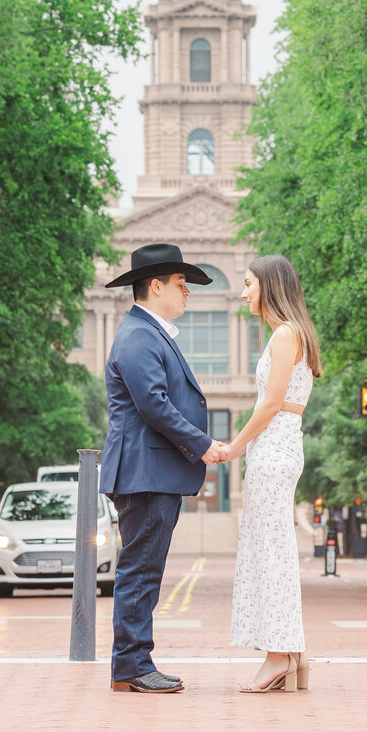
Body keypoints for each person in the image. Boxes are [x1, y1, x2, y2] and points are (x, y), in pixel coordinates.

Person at [99, 243, 229, 694]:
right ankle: (131, 665)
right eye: (180, 284)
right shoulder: (138, 336)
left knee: (144, 570)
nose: (187, 292)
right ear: (155, 286)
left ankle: (134, 661)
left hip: (150, 471)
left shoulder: (147, 333)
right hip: (145, 472)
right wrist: (203, 445)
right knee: (140, 570)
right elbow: (154, 404)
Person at [224, 254, 321, 693]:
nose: (243, 293)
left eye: (248, 284)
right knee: (273, 548)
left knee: (272, 553)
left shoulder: (284, 335)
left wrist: (232, 447)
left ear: (269, 285)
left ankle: (279, 655)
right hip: (281, 445)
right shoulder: (293, 334)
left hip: (274, 447)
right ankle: (292, 655)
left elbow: (269, 403)